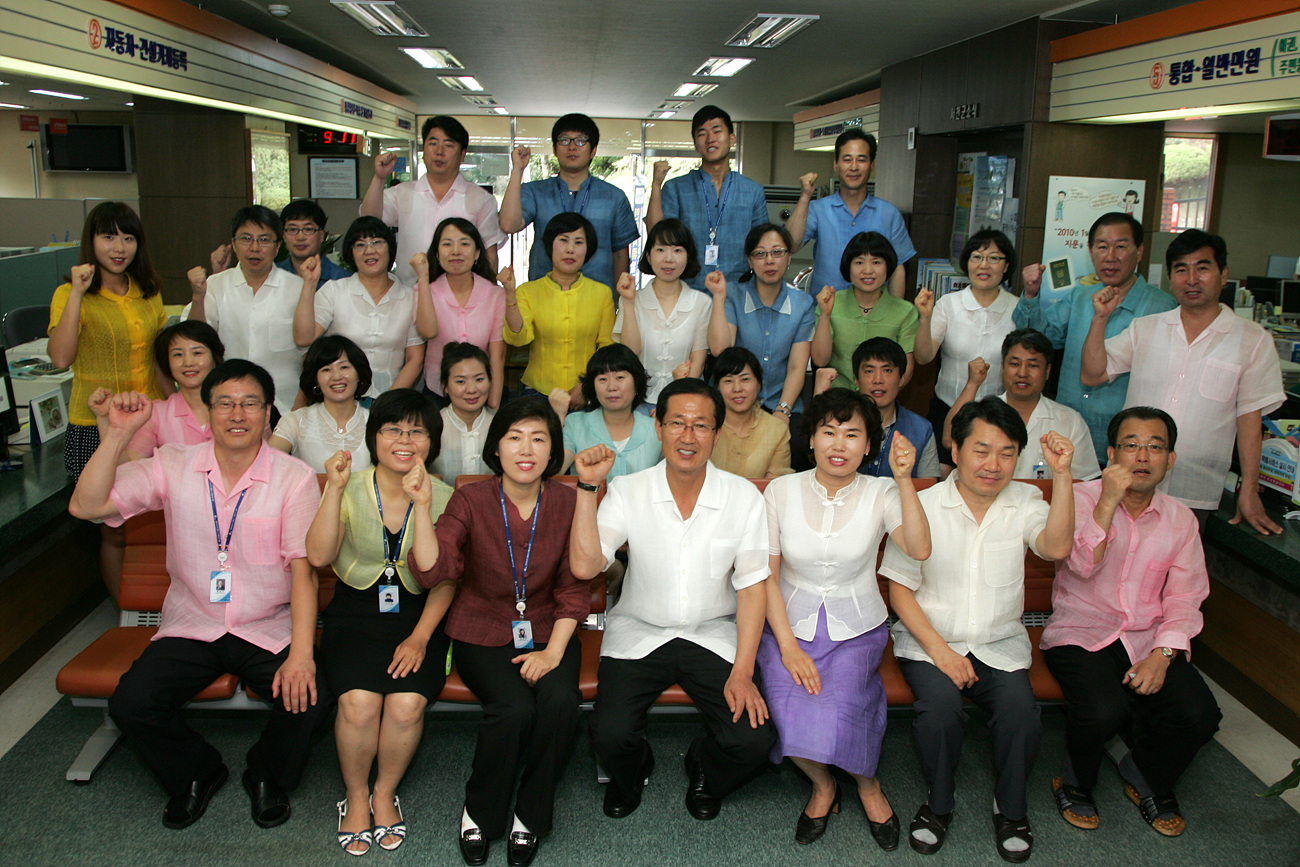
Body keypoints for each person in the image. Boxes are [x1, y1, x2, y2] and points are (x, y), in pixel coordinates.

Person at [69, 359, 331, 831]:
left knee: (312, 698)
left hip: (264, 625)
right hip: (192, 623)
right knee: (131, 703)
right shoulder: (173, 463)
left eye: (250, 403)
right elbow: (85, 505)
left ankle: (266, 773)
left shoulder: (294, 477)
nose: (237, 413)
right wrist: (115, 435)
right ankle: (196, 772)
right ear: (207, 414)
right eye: (225, 403)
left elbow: (303, 572)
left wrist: (303, 654)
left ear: (268, 414)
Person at [570, 378, 777, 822]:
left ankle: (704, 763)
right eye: (677, 423)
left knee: (753, 742)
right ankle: (634, 770)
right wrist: (588, 490)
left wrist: (743, 671)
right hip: (639, 632)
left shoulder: (743, 497)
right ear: (658, 426)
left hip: (713, 633)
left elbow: (754, 586)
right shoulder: (628, 490)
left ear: (717, 435)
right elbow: (586, 567)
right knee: (610, 736)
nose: (688, 436)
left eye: (701, 425)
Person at [880, 397, 1076, 861]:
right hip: (931, 642)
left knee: (1021, 715)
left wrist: (1062, 476)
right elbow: (900, 591)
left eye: (1007, 453)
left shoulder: (1026, 500)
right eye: (981, 450)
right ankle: (939, 803)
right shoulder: (921, 504)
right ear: (956, 447)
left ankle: (1010, 807)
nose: (994, 464)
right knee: (942, 710)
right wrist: (943, 655)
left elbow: (1056, 546)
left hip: (998, 644)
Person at [414, 397, 591, 867]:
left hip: (551, 628)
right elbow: (436, 571)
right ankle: (481, 813)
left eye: (538, 438)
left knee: (558, 703)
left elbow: (577, 586)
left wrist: (553, 653)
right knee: (512, 709)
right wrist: (420, 509)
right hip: (481, 626)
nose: (525, 449)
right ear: (496, 449)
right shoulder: (470, 498)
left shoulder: (570, 500)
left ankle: (531, 815)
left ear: (553, 451)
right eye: (514, 437)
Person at [757, 387, 931, 849]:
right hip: (786, 626)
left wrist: (906, 479)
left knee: (844, 708)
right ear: (809, 439)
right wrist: (789, 649)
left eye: (852, 434)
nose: (839, 444)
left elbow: (919, 548)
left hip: (856, 626)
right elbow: (767, 578)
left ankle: (868, 785)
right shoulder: (781, 490)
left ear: (869, 444)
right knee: (786, 710)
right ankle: (823, 784)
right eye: (828, 432)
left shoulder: (882, 492)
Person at [1041, 407, 1221, 839]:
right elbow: (1082, 566)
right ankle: (1075, 780)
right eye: (1132, 445)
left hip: (1147, 635)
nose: (1143, 455)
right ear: (1111, 454)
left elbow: (1185, 596)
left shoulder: (1181, 519)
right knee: (1104, 709)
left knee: (1200, 714)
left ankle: (1143, 773)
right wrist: (1107, 501)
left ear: (1170, 459)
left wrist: (1163, 653)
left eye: (1155, 446)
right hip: (1081, 629)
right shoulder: (1080, 497)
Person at [307, 389, 454, 854]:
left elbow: (446, 581)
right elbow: (317, 555)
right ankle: (354, 796)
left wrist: (420, 638)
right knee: (359, 705)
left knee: (407, 705)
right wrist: (332, 488)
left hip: (419, 616)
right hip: (354, 612)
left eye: (417, 430)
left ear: (432, 441)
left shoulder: (447, 495)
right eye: (393, 429)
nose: (404, 439)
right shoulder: (348, 485)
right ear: (374, 437)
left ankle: (384, 792)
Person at [1080, 228, 1286, 532]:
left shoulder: (1252, 340)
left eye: (1202, 268)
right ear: (1170, 277)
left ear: (1223, 273)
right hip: (1129, 482)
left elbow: (1249, 422)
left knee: (1175, 576)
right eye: (1181, 269)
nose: (1191, 279)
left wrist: (1250, 490)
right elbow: (1093, 374)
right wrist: (1100, 319)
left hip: (1194, 492)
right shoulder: (1145, 329)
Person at [48, 201, 168, 598]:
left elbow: (159, 361)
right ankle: (124, 611)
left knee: (155, 527)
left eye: (128, 237)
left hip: (148, 425)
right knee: (113, 528)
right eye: (108, 236)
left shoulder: (148, 293)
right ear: (92, 242)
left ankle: (159, 608)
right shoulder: (70, 292)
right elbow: (61, 357)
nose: (119, 247)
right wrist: (79, 293)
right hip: (94, 424)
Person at [1013, 212, 1177, 459]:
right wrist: (1030, 295)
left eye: (1121, 246)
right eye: (1102, 247)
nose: (1110, 256)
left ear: (1139, 252)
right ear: (1091, 251)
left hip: (1126, 445)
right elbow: (1038, 340)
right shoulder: (1079, 297)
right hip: (1068, 437)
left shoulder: (1163, 307)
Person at [187, 205, 305, 417]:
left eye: (264, 240)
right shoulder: (214, 286)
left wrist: (299, 409)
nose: (255, 247)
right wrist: (197, 297)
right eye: (246, 238)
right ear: (233, 243)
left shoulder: (298, 289)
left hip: (286, 407)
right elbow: (194, 337)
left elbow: (311, 355)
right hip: (227, 406)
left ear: (278, 247)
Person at [500, 113, 639, 292]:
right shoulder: (535, 191)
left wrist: (621, 301)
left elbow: (621, 254)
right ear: (554, 149)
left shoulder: (614, 197)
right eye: (564, 140)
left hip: (597, 299)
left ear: (593, 150)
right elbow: (508, 224)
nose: (572, 147)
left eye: (581, 141)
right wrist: (517, 170)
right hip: (544, 298)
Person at [915, 229, 1020, 465]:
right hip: (948, 408)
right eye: (977, 257)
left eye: (994, 258)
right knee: (943, 476)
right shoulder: (948, 304)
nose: (984, 265)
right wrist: (924, 319)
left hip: (999, 413)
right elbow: (923, 357)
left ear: (1006, 266)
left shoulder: (1017, 309)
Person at [362, 115, 505, 285]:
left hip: (460, 300)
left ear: (462, 155)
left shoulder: (481, 199)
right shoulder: (402, 193)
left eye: (448, 145)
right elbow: (369, 221)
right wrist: (379, 178)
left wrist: (488, 295)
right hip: (409, 293)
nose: (439, 151)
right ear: (424, 151)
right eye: (433, 143)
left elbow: (489, 253)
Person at [942, 329, 1100, 481]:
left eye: (1032, 365)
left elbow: (1083, 484)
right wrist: (973, 384)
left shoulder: (1070, 421)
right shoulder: (983, 412)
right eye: (1015, 364)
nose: (1022, 373)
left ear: (1047, 371)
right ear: (1003, 367)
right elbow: (949, 440)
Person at [293, 216, 424, 399]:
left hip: (390, 398)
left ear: (390, 248)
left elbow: (415, 360)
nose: (369, 251)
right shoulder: (334, 290)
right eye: (360, 245)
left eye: (377, 242)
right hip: (338, 399)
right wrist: (309, 283)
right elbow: (303, 338)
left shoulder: (410, 297)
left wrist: (387, 404)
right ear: (351, 253)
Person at [646, 105, 768, 290]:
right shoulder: (676, 188)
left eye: (717, 131)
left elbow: (762, 245)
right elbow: (656, 235)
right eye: (702, 133)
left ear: (732, 139)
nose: (710, 139)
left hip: (738, 292)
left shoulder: (753, 191)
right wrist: (656, 185)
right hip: (687, 291)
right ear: (695, 144)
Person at [502, 212, 615, 410]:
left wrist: (587, 385)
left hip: (586, 392)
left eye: (579, 242)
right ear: (549, 245)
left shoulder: (602, 293)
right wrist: (510, 295)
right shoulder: (528, 291)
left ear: (588, 249)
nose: (570, 249)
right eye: (563, 240)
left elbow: (607, 348)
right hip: (537, 392)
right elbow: (518, 339)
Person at [786, 128, 916, 299]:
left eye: (861, 160)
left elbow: (898, 268)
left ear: (871, 166)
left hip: (873, 317)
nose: (854, 167)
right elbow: (791, 245)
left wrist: (896, 317)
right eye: (847, 160)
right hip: (825, 313)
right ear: (836, 164)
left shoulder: (889, 213)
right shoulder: (818, 209)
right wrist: (805, 196)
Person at [706, 223, 815, 424]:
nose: (769, 261)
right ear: (749, 260)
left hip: (781, 404)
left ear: (789, 257)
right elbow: (720, 350)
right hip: (732, 405)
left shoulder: (803, 304)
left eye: (777, 252)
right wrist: (719, 297)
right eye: (760, 254)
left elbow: (796, 367)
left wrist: (783, 410)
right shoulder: (732, 295)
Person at [92, 320, 225, 463]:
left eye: (197, 353)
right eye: (178, 355)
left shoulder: (238, 405)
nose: (188, 362)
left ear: (214, 358)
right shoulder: (156, 413)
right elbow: (129, 466)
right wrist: (104, 420)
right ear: (167, 362)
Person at [613, 218, 710, 405]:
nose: (668, 258)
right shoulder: (633, 298)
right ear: (648, 256)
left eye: (677, 250)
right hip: (636, 402)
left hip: (684, 400)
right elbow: (629, 353)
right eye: (660, 250)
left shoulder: (702, 302)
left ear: (688, 256)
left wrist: (675, 402)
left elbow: (698, 361)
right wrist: (629, 302)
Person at [814, 337, 940, 479]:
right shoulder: (836, 421)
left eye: (887, 370)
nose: (878, 380)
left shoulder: (921, 429)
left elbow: (928, 485)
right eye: (869, 371)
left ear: (901, 379)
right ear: (856, 379)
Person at [414, 217, 506, 409]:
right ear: (437, 254)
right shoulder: (423, 290)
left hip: (481, 392)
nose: (456, 251)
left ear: (477, 253)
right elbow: (427, 331)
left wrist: (493, 407)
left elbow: (497, 356)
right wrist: (423, 277)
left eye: (464, 244)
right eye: (447, 244)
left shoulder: (495, 294)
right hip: (438, 392)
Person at [812, 231, 919, 390]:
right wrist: (825, 315)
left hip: (880, 402)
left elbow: (906, 371)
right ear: (848, 266)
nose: (867, 270)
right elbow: (820, 360)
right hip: (838, 401)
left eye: (876, 262)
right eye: (859, 262)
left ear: (888, 266)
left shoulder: (905, 311)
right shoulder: (831, 303)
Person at [269, 335, 373, 473]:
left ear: (359, 374)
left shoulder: (376, 421)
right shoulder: (296, 421)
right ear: (315, 379)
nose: (336, 376)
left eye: (344, 367)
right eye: (326, 370)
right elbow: (264, 462)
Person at [561, 344, 661, 477]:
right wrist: (558, 416)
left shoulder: (656, 429)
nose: (612, 387)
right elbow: (555, 471)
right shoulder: (575, 424)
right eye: (602, 379)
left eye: (620, 377)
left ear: (637, 384)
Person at [209, 199, 351, 284]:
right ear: (282, 235)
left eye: (308, 229)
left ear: (321, 235)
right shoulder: (269, 274)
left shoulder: (342, 279)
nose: (300, 237)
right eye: (292, 229)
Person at [710, 347, 793, 479]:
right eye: (728, 381)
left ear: (759, 384)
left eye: (745, 379)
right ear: (718, 387)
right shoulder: (704, 424)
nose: (737, 388)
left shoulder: (776, 429)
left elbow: (773, 486)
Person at [432, 342, 495, 481]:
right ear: (445, 386)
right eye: (461, 382)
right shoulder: (432, 425)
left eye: (479, 379)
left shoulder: (502, 425)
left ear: (490, 380)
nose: (471, 389)